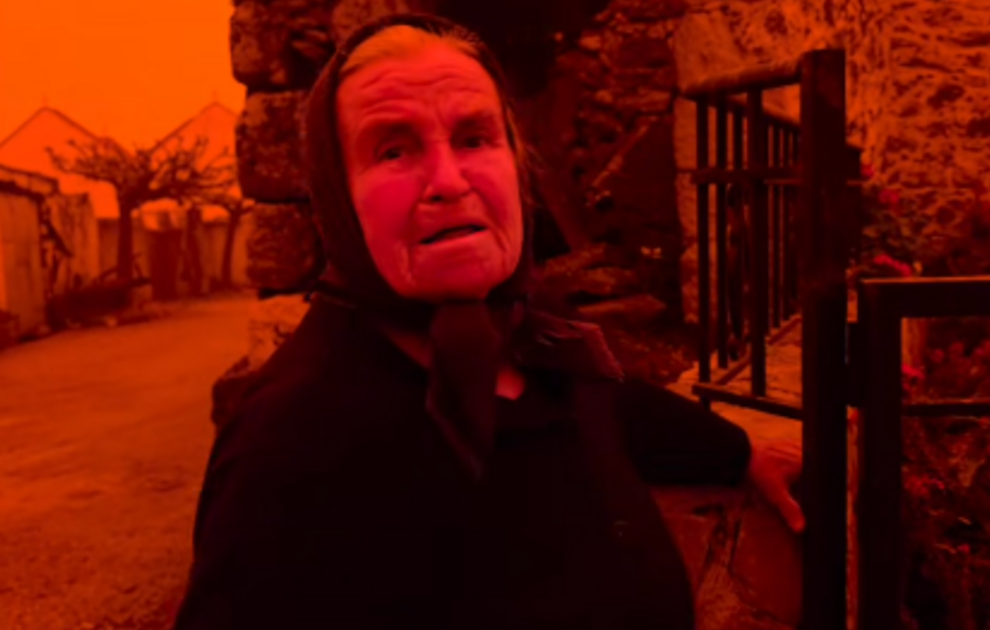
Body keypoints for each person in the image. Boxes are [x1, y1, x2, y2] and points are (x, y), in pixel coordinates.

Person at [172, 14, 803, 630]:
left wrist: (738, 452)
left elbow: (612, 410)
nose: (449, 181)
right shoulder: (289, 446)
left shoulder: (533, 339)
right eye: (393, 150)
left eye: (474, 138)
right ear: (338, 199)